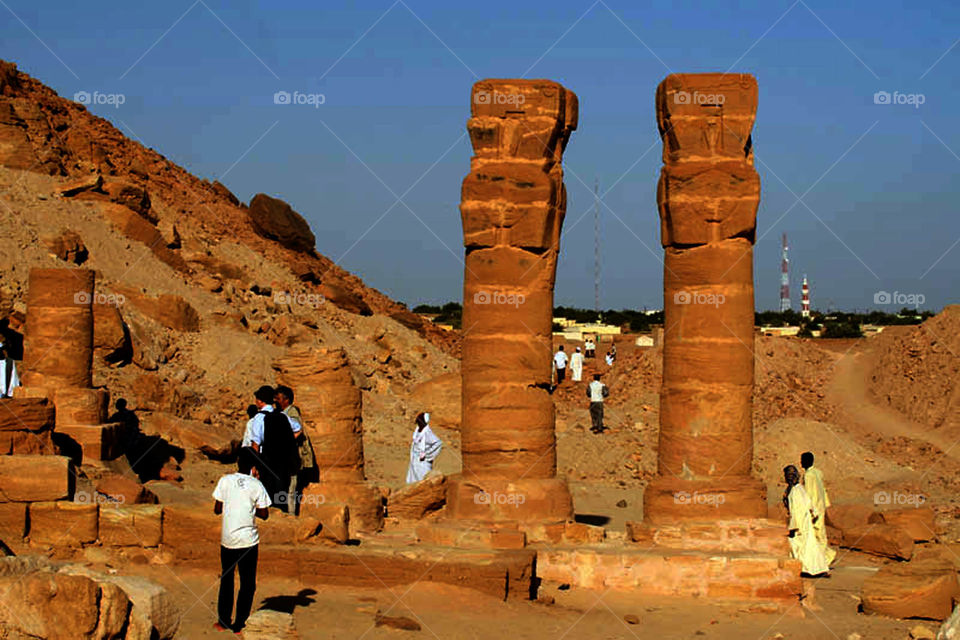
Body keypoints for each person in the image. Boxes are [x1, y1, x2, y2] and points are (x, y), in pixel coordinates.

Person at [213, 447, 270, 633]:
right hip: (248, 541)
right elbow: (264, 514)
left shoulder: (225, 480)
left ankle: (223, 621)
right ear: (254, 466)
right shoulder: (256, 485)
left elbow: (217, 509)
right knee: (247, 582)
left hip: (228, 538)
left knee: (227, 577)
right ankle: (239, 624)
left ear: (237, 462)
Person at [246, 386, 298, 511]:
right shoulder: (282, 415)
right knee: (281, 494)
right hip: (283, 462)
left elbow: (255, 444)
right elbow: (298, 429)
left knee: (266, 494)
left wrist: (254, 465)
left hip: (267, 462)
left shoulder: (259, 418)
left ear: (259, 401)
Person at [783, 464, 829, 577]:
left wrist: (794, 527)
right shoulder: (799, 489)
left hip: (800, 524)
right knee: (810, 544)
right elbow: (810, 505)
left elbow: (796, 511)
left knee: (801, 545)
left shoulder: (795, 491)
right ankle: (816, 568)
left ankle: (806, 568)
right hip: (805, 522)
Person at [275, 385, 314, 515]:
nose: (276, 401)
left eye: (279, 398)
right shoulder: (283, 413)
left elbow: (298, 432)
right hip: (287, 457)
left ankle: (291, 516)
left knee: (291, 489)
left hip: (293, 458)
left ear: (286, 400)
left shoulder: (292, 413)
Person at [802, 452, 836, 566]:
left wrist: (810, 509)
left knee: (817, 533)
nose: (801, 462)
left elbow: (809, 493)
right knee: (819, 531)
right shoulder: (818, 472)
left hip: (814, 507)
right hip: (820, 506)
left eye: (802, 460)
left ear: (807, 461)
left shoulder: (808, 475)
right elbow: (822, 489)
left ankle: (825, 558)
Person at [406, 412, 442, 483]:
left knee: (424, 479)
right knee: (413, 479)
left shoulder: (428, 432)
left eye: (420, 420)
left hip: (423, 461)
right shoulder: (417, 430)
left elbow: (438, 443)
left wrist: (427, 453)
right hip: (415, 459)